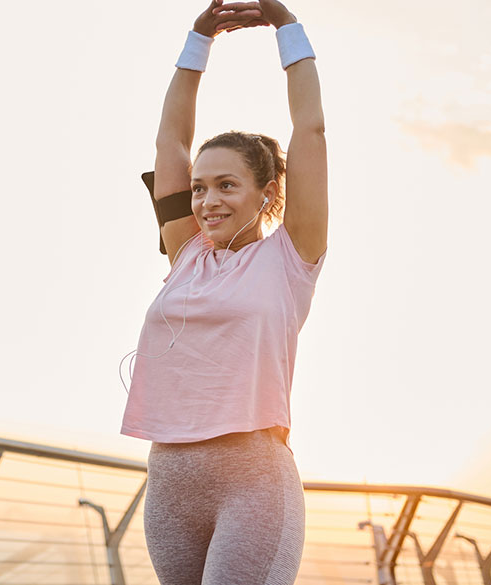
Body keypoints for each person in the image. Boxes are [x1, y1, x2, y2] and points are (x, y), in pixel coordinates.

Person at [118, 0, 328, 583]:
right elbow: (170, 143)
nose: (207, 201)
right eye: (200, 188)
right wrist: (198, 40)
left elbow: (310, 129)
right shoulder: (185, 251)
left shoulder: (291, 256)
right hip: (169, 481)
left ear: (266, 192)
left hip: (254, 481)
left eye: (227, 185)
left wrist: (288, 28)